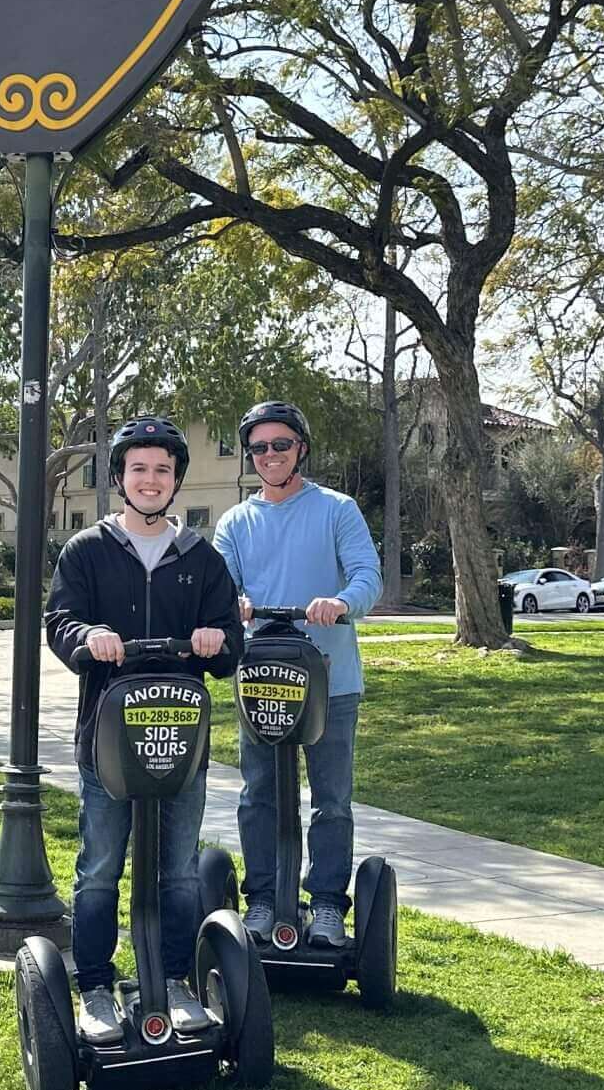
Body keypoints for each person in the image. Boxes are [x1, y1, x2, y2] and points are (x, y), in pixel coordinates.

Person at [44, 415, 244, 1045]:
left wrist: (216, 640)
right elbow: (60, 622)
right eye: (139, 469)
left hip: (181, 740)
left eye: (162, 469)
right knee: (101, 866)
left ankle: (177, 980)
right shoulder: (88, 551)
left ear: (176, 481)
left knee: (180, 870)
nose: (151, 479)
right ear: (120, 478)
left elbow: (230, 644)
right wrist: (88, 638)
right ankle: (97, 987)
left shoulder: (201, 558)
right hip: (107, 741)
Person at [211, 400, 383, 948]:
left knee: (331, 799)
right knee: (257, 792)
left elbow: (367, 575)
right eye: (258, 447)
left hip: (330, 680)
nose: (269, 456)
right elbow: (221, 585)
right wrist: (232, 602)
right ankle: (261, 899)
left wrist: (340, 601)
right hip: (261, 678)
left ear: (300, 448)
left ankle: (328, 905)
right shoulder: (236, 520)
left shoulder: (336, 508)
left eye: (280, 445)